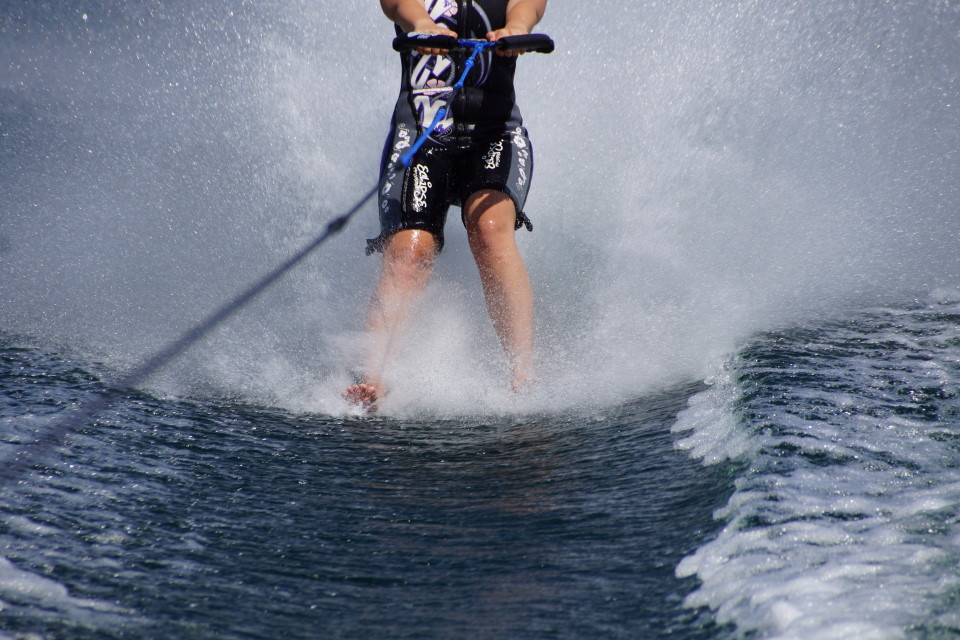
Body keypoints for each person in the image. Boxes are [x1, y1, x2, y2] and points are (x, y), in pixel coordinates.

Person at [344, 0, 547, 410]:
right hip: (422, 133)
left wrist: (516, 28)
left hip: (495, 135)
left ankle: (522, 373)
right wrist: (421, 24)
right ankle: (374, 379)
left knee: (489, 232)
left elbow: (529, 6)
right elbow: (397, 4)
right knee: (409, 250)